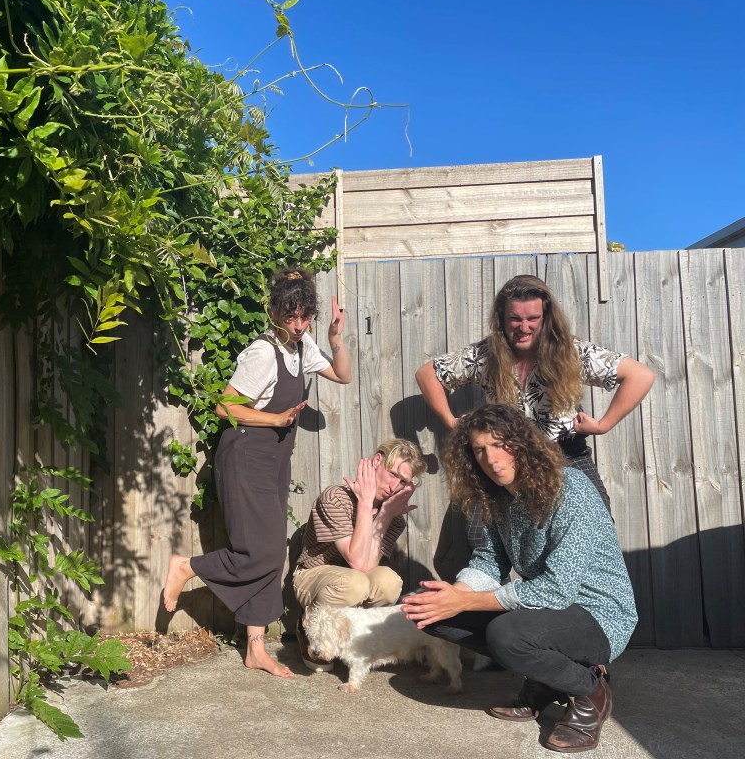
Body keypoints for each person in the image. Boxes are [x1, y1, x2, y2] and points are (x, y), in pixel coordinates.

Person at [402, 404, 637, 753]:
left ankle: (590, 690)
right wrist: (453, 596)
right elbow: (489, 561)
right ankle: (547, 680)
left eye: (501, 444)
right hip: (544, 611)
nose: (491, 458)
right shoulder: (498, 499)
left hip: (599, 615)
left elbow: (557, 589)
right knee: (429, 612)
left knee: (507, 635)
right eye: (480, 449)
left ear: (523, 443)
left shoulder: (570, 490)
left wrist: (466, 600)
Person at [162, 267, 352, 678]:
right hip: (245, 455)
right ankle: (187, 567)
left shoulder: (302, 347)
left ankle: (255, 650)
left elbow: (343, 375)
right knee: (261, 551)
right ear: (274, 312)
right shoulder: (263, 353)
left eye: (305, 317)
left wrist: (335, 338)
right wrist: (276, 419)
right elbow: (225, 406)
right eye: (290, 316)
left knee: (271, 552)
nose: (298, 325)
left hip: (273, 461)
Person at [415, 274, 654, 576]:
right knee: (477, 533)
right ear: (501, 318)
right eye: (515, 319)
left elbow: (640, 375)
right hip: (504, 456)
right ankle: (483, 598)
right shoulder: (485, 356)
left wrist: (604, 424)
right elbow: (428, 374)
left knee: (596, 519)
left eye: (532, 319)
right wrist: (451, 421)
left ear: (546, 316)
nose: (524, 327)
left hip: (564, 453)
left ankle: (584, 599)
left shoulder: (571, 352)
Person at [292, 439, 427, 670]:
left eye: (403, 481)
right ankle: (309, 627)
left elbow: (367, 565)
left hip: (354, 578)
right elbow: (356, 561)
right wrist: (365, 504)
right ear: (377, 461)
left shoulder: (393, 516)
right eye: (393, 474)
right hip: (312, 576)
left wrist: (384, 516)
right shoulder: (336, 498)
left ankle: (350, 635)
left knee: (389, 582)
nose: (395, 486)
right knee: (354, 583)